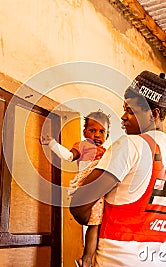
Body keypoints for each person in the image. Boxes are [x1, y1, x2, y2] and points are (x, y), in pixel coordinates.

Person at [70, 70, 166, 266]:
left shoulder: (130, 145)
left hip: (120, 259)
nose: (123, 117)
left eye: (131, 111)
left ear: (153, 114)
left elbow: (79, 205)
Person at [40, 110, 111, 267]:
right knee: (94, 225)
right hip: (87, 186)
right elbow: (68, 156)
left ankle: (87, 259)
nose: (97, 135)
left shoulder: (107, 152)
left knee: (96, 224)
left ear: (107, 135)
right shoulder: (82, 145)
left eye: (102, 131)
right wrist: (52, 143)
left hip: (99, 189)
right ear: (85, 132)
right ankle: (86, 261)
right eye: (92, 130)